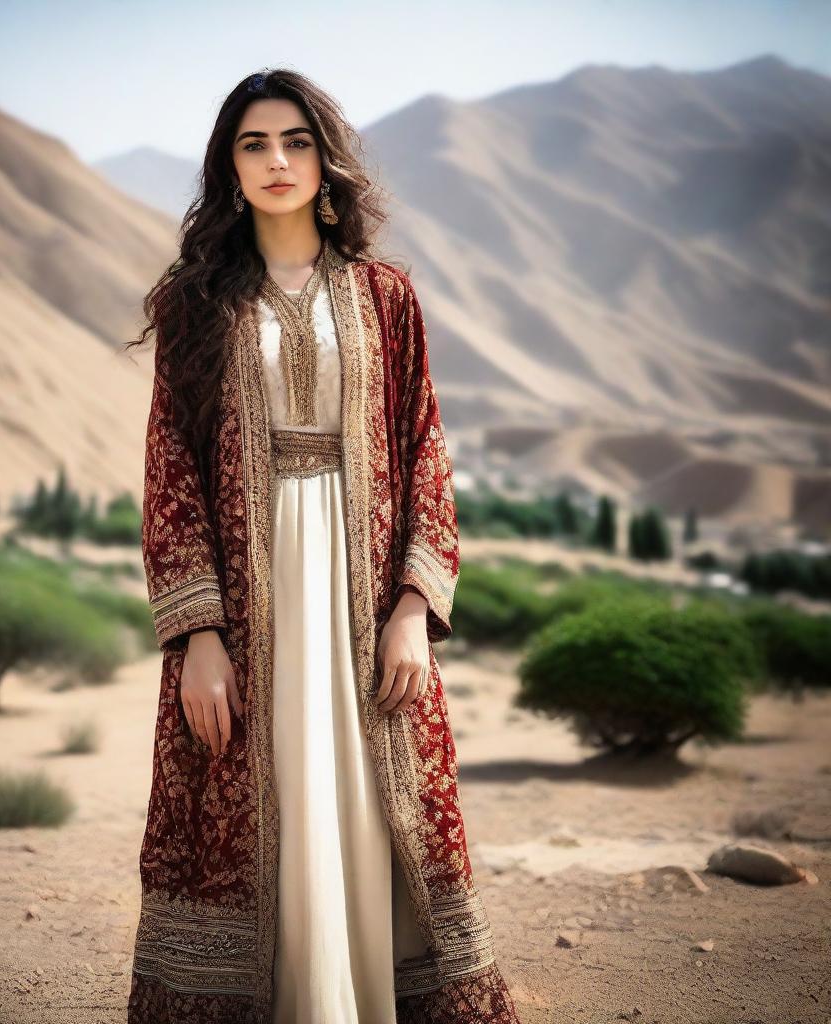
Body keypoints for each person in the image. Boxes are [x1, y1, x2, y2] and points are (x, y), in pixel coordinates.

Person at [126, 68, 522, 1024]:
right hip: (251, 611)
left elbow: (424, 445)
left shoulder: (386, 297)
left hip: (365, 597)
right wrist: (199, 636)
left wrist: (415, 609)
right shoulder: (194, 301)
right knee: (260, 798)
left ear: (325, 157)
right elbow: (169, 464)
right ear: (228, 164)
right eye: (254, 144)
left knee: (372, 798)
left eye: (295, 141)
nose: (276, 161)